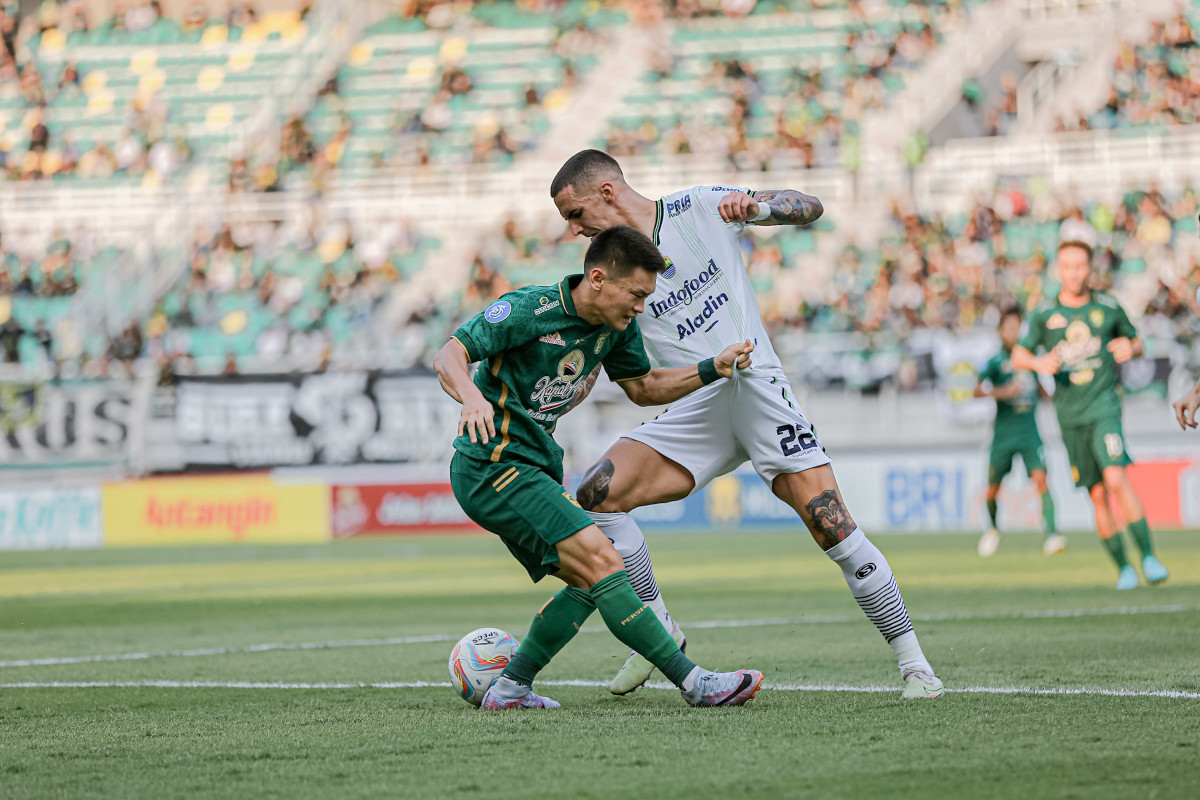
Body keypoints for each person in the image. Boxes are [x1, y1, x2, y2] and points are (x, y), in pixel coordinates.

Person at [549, 149, 943, 699]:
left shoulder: (699, 208)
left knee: (834, 527)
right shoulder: (606, 270)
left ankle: (915, 666)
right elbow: (632, 381)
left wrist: (758, 207)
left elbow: (810, 207)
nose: (571, 229)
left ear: (607, 193)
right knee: (595, 495)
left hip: (756, 384)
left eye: (574, 212)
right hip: (697, 399)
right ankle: (661, 631)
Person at [434, 225, 763, 710]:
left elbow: (644, 387)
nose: (640, 307)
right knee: (606, 560)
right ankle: (696, 683)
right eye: (635, 294)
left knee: (592, 582)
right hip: (494, 463)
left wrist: (713, 367)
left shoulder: (617, 328)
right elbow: (450, 355)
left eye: (647, 297)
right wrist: (472, 398)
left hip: (531, 466)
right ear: (597, 279)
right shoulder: (530, 309)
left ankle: (509, 689)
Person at [1012, 240, 1169, 590]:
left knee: (1116, 479)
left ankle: (1149, 557)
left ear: (1090, 268)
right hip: (1069, 416)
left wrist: (1132, 346)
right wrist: (1039, 362)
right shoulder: (1044, 314)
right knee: (1097, 493)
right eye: (1067, 266)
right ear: (1058, 269)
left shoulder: (1108, 307)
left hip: (1104, 408)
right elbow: (1018, 356)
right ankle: (1124, 568)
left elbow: (1138, 341)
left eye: (1080, 266)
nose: (1073, 273)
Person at [973, 305, 1065, 557]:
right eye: (1009, 328)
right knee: (992, 488)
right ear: (1000, 331)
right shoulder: (994, 362)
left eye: (1017, 327)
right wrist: (1003, 393)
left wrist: (1050, 392)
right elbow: (976, 389)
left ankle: (1053, 534)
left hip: (1029, 431)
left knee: (1041, 480)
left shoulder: (1030, 357)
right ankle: (992, 529)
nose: (1014, 332)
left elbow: (1042, 390)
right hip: (1003, 434)